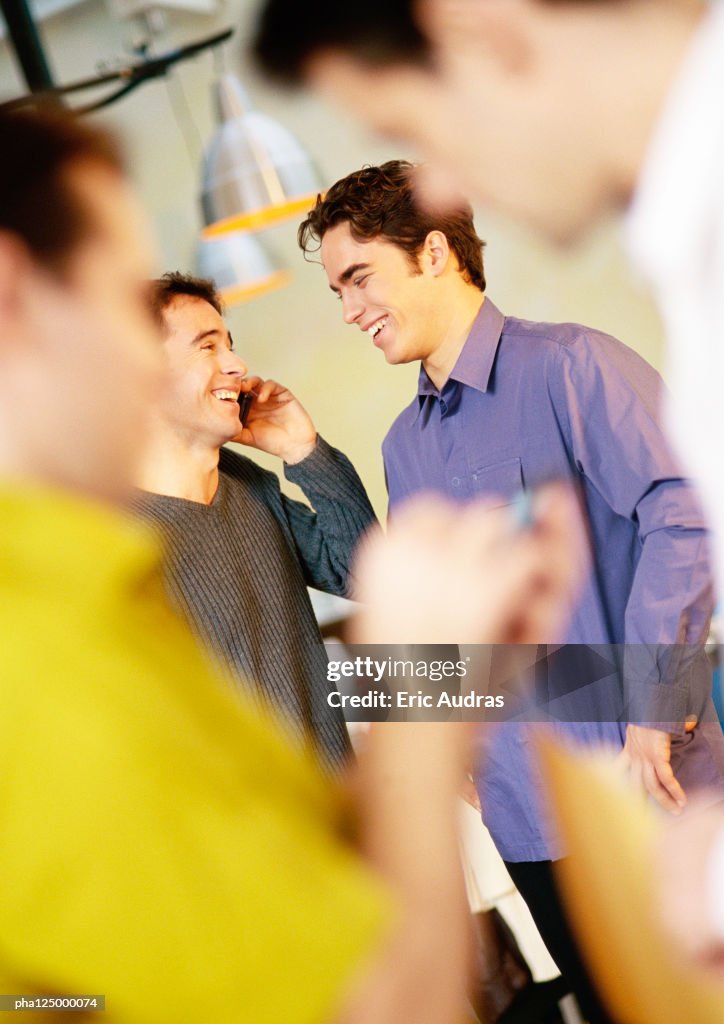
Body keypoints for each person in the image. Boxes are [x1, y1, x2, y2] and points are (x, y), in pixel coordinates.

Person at [0, 104, 585, 1023]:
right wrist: (427, 752)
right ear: (16, 291)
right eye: (117, 296)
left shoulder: (221, 503)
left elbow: (361, 569)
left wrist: (307, 453)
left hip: (336, 886)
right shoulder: (63, 618)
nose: (232, 364)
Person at [253, 0, 724, 973]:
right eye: (334, 290)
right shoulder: (400, 444)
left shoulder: (574, 368)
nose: (346, 309)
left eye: (357, 278)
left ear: (432, 253)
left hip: (651, 786)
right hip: (523, 815)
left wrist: (651, 704)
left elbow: (686, 514)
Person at [133, 271, 376, 772]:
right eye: (207, 347)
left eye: (230, 345)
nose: (237, 365)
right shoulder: (108, 536)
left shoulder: (247, 482)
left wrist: (303, 451)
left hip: (336, 818)